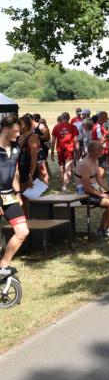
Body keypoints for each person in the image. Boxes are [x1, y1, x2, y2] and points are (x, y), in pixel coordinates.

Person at [0, 115, 29, 279]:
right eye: (16, 131)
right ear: (5, 129)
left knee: (22, 232)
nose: (18, 135)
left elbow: (15, 171)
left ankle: (3, 265)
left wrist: (18, 193)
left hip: (9, 195)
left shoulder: (16, 147)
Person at [75, 141, 109, 238]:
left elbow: (99, 180)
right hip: (84, 195)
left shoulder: (95, 161)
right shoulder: (85, 165)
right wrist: (104, 195)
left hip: (93, 191)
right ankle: (101, 229)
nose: (103, 150)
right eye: (100, 148)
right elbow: (86, 188)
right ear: (93, 151)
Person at [16, 115, 40, 215]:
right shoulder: (21, 136)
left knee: (27, 197)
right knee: (22, 196)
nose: (18, 126)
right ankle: (25, 218)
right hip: (21, 170)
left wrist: (31, 175)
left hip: (28, 170)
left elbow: (34, 158)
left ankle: (29, 219)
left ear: (26, 125)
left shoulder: (32, 137)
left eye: (20, 124)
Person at [51, 112, 80, 193]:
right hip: (69, 150)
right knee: (68, 168)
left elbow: (53, 141)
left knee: (61, 168)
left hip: (60, 150)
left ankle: (62, 185)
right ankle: (64, 187)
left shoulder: (56, 127)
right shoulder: (73, 127)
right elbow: (76, 140)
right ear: (69, 118)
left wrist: (52, 152)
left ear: (61, 118)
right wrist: (78, 152)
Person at [32, 114, 51, 185]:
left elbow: (47, 137)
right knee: (40, 163)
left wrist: (38, 136)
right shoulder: (32, 127)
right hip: (36, 148)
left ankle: (45, 182)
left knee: (42, 164)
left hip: (42, 148)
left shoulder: (41, 126)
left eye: (34, 118)